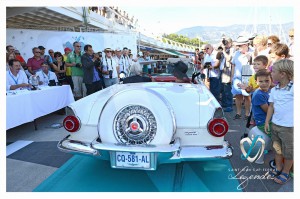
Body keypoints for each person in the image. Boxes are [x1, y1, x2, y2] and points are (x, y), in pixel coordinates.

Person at [265, 59, 293, 185]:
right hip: (275, 125)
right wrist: (267, 122)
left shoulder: (294, 89)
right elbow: (271, 106)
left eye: (273, 71)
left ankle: (286, 171)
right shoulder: (274, 90)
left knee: (288, 151)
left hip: (289, 128)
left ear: (282, 74)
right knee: (277, 149)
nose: (271, 73)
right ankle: (278, 167)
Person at [231, 36, 253, 120]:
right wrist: (232, 77)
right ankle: (238, 113)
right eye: (238, 46)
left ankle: (247, 114)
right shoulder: (236, 53)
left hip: (248, 77)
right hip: (237, 77)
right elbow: (233, 65)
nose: (238, 47)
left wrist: (250, 59)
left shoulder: (253, 52)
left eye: (240, 46)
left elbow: (255, 65)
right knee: (238, 95)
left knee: (247, 96)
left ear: (245, 45)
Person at [251, 69, 272, 135]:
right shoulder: (259, 94)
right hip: (263, 122)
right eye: (261, 81)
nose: (264, 84)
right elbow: (268, 111)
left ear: (271, 80)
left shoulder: (268, 90)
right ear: (256, 82)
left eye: (267, 81)